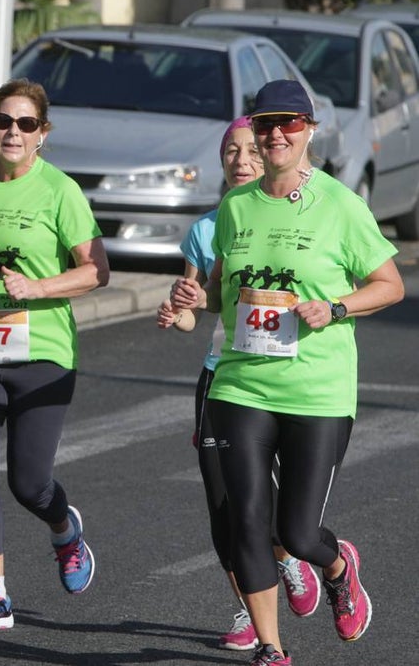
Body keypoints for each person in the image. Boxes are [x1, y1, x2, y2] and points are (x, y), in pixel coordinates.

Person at [170, 79, 404, 666]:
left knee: (297, 533)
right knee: (247, 518)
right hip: (241, 383)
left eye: (290, 124)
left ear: (309, 131)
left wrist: (337, 307)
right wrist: (191, 300)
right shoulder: (235, 207)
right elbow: (225, 291)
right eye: (267, 123)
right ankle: (271, 647)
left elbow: (390, 285)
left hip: (317, 392)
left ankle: (336, 564)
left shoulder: (341, 205)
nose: (276, 135)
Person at [0, 78, 109, 633]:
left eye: (25, 124)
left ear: (42, 134)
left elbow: (96, 270)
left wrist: (39, 288)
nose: (13, 132)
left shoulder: (60, 191)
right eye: (4, 122)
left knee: (29, 483)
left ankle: (65, 530)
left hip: (43, 354)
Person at [157, 117, 321, 652]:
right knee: (227, 508)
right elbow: (194, 308)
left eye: (252, 149)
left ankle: (290, 556)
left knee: (278, 509)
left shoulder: (305, 213)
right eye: (231, 151)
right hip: (225, 378)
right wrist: (178, 311)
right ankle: (253, 609)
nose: (241, 159)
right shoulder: (208, 229)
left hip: (295, 378)